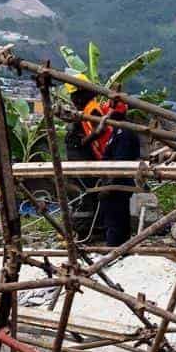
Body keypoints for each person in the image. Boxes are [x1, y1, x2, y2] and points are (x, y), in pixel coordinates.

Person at [94, 99, 139, 247]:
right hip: (115, 183)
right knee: (116, 220)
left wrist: (109, 185)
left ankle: (115, 250)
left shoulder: (123, 133)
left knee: (115, 222)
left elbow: (120, 162)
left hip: (118, 185)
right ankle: (119, 250)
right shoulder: (118, 132)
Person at [64, 78, 102, 240]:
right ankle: (84, 229)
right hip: (80, 162)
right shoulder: (85, 110)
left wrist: (83, 141)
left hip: (85, 162)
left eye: (74, 96)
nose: (73, 100)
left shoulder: (92, 110)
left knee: (85, 196)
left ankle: (88, 230)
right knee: (82, 195)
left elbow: (97, 132)